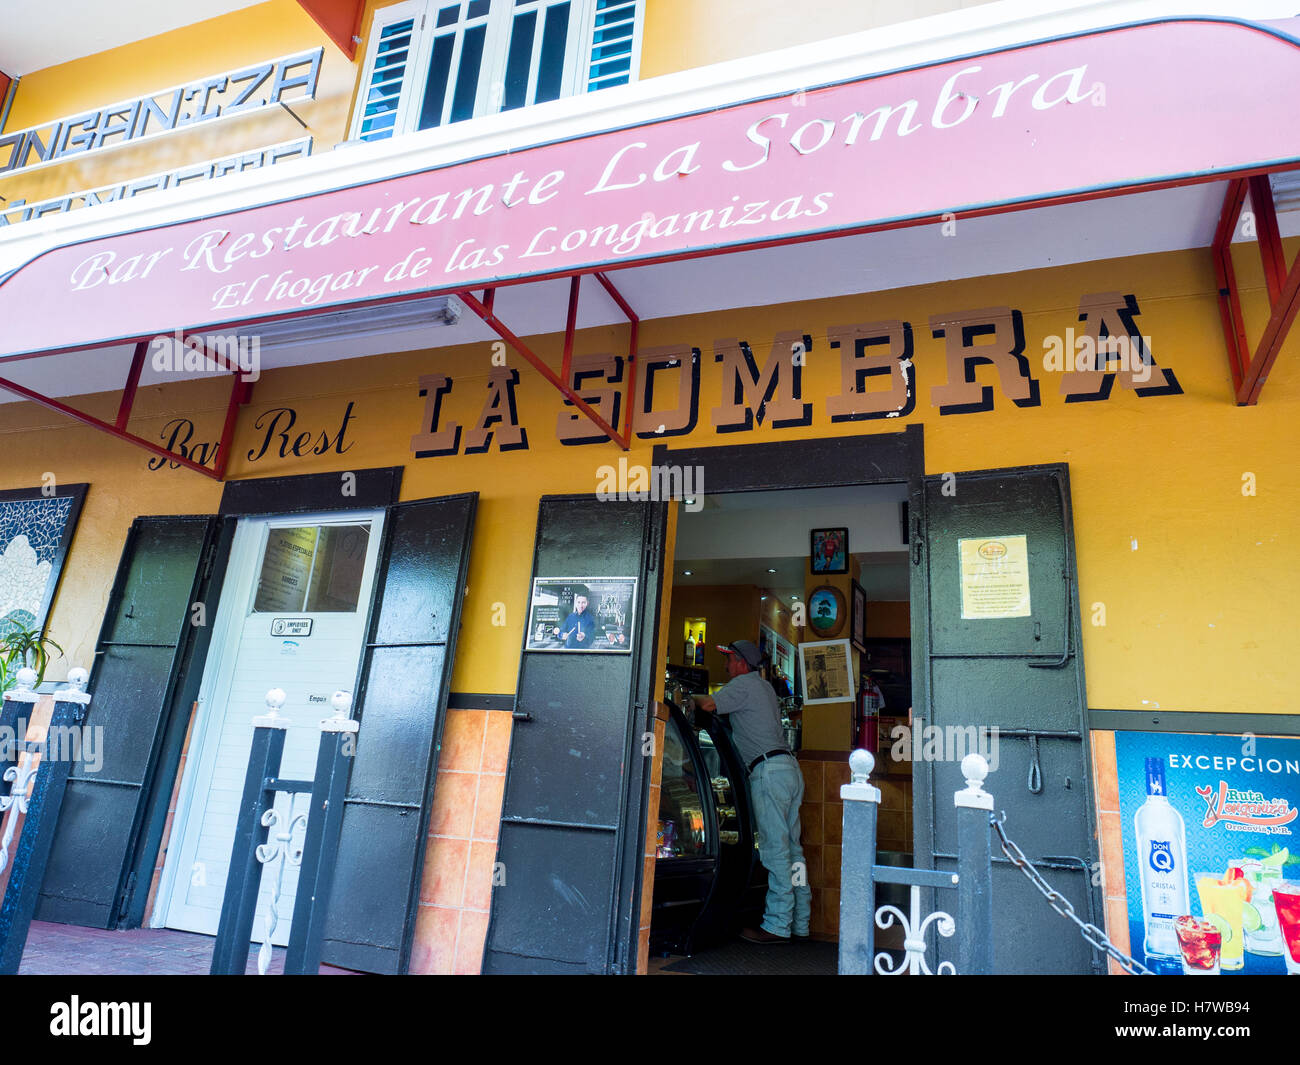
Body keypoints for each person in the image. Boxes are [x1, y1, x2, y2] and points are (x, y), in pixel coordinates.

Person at [693, 638, 810, 944]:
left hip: (768, 772)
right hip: (789, 770)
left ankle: (777, 926)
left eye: (729, 659)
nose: (727, 664)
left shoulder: (743, 684)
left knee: (775, 851)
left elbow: (707, 704)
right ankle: (801, 921)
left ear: (743, 663)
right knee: (793, 850)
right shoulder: (765, 687)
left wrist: (682, 696)